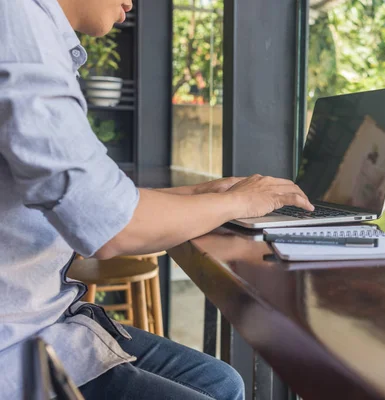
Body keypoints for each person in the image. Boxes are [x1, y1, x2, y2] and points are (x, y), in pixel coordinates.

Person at [0, 0, 314, 399]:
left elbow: (99, 196)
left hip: (45, 317)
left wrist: (204, 193)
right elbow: (109, 225)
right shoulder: (16, 22)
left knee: (223, 383)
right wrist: (238, 204)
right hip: (17, 343)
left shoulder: (35, 30)